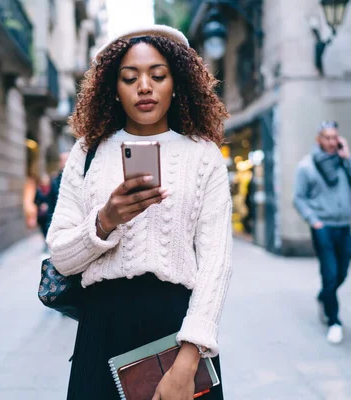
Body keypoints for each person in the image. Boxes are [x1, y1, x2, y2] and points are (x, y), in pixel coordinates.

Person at [46, 25, 232, 400]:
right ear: (114, 89)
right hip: (102, 331)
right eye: (130, 78)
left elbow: (216, 262)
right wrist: (104, 221)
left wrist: (189, 357)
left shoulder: (203, 155)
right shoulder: (88, 152)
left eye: (157, 76)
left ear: (175, 83)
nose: (144, 87)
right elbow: (62, 258)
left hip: (178, 330)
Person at [293, 121, 351, 344]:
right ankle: (334, 321)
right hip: (323, 227)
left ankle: (324, 296)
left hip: (343, 226)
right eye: (327, 137)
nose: (331, 142)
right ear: (319, 139)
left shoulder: (344, 164)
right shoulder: (307, 166)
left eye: (335, 137)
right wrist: (314, 221)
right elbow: (299, 198)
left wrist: (349, 158)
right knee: (330, 273)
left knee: (342, 273)